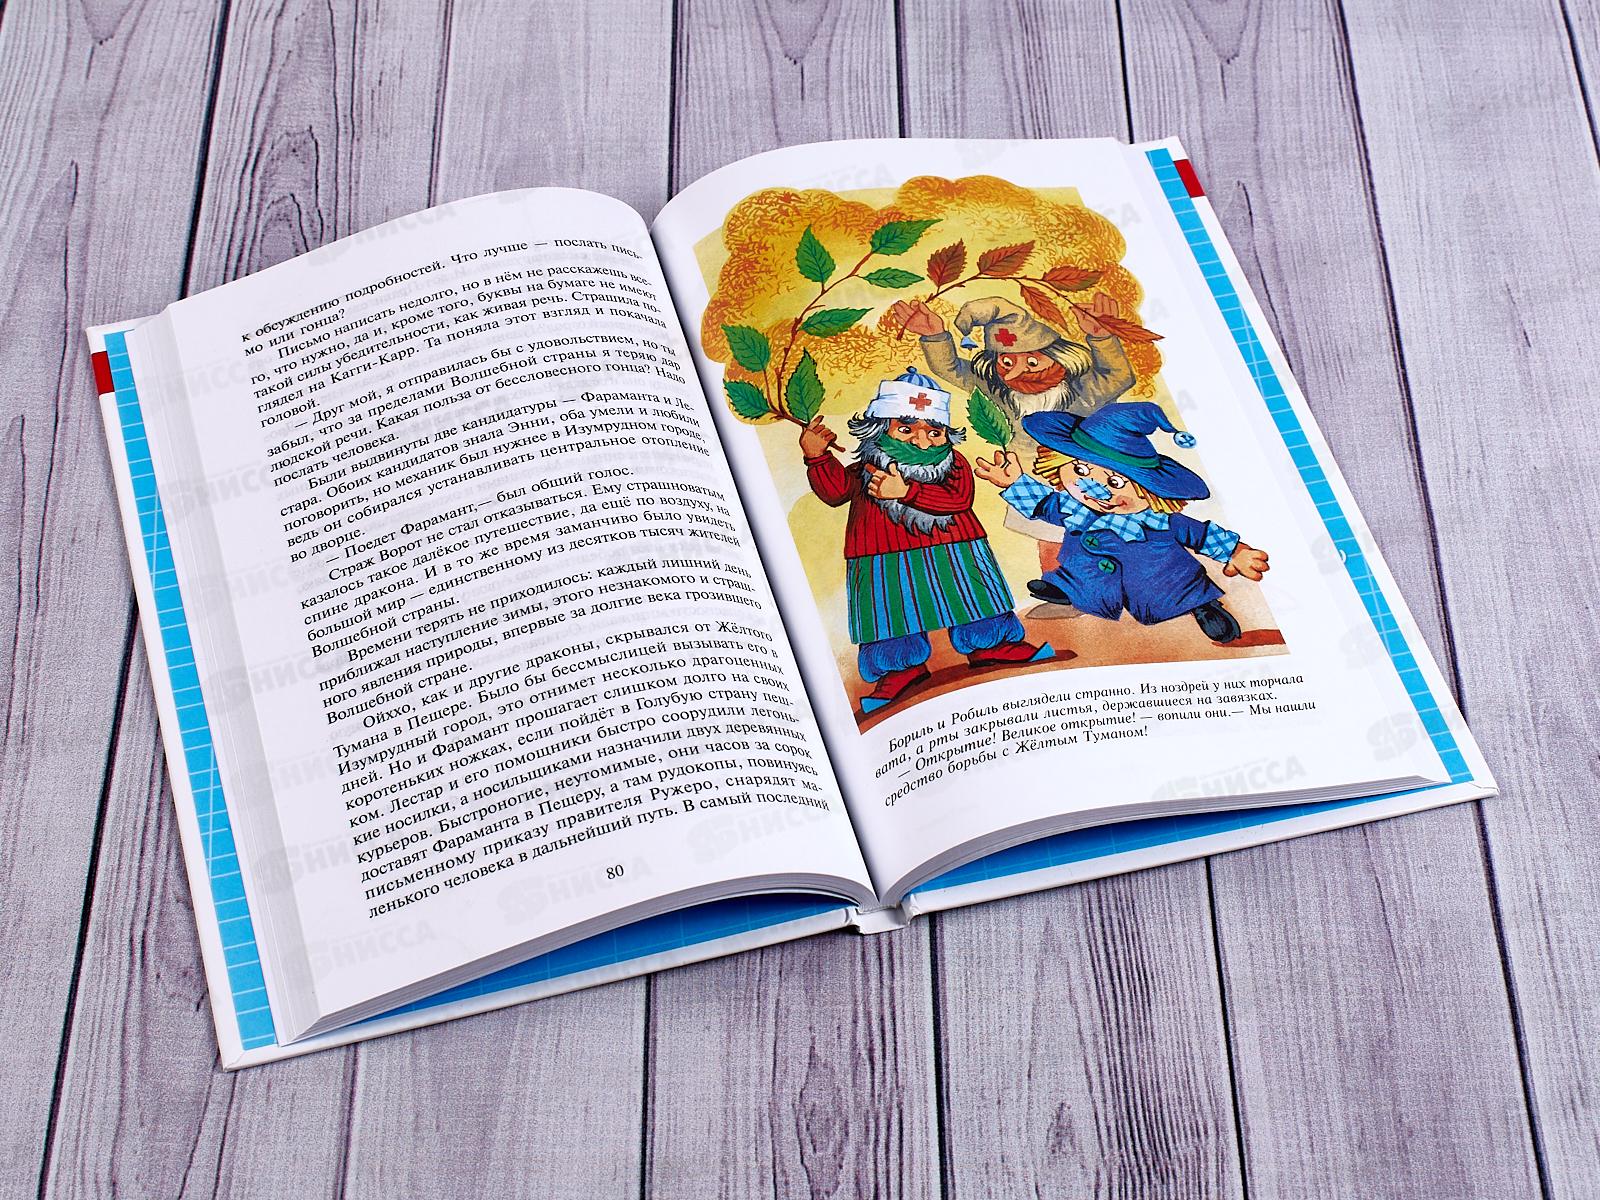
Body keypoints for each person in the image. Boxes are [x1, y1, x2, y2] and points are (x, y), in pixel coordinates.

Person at [800, 367, 1053, 713]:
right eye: (906, 429)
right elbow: (834, 492)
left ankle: (992, 644)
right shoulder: (867, 468)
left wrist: (907, 492)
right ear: (880, 429)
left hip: (955, 548)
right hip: (880, 555)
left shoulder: (954, 463)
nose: (921, 442)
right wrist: (816, 456)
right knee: (889, 611)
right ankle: (899, 668)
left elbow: (959, 499)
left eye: (934, 432)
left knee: (974, 596)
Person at [892, 294, 1136, 599]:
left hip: (1088, 475)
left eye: (1032, 362)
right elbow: (953, 370)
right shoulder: (998, 391)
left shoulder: (1083, 390)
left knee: (1105, 532)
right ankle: (1060, 586)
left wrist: (1101, 337)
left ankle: (1130, 580)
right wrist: (935, 336)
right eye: (1006, 363)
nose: (1018, 373)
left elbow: (1119, 375)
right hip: (1033, 478)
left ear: (1059, 357)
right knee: (1048, 535)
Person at [972, 402, 1270, 643]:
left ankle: (1204, 608)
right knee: (1080, 575)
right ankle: (1070, 591)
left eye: (1115, 482)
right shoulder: (1076, 509)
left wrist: (1236, 552)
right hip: (1090, 580)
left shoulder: (1158, 521)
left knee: (1178, 596)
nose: (1094, 489)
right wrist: (1014, 483)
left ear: (1147, 489)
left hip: (1165, 584)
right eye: (1080, 470)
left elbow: (1201, 534)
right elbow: (1045, 504)